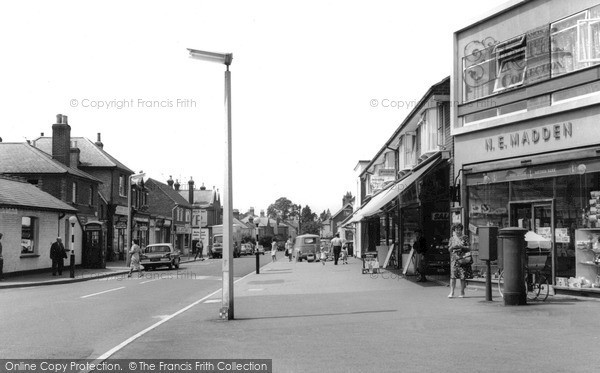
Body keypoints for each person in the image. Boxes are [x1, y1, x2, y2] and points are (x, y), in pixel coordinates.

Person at [448, 223, 471, 298]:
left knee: (462, 276)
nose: (458, 231)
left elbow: (469, 247)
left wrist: (462, 246)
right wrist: (452, 246)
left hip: (463, 258)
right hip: (454, 259)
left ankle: (462, 292)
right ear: (454, 230)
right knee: (453, 276)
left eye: (459, 229)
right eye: (456, 229)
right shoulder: (452, 238)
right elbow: (449, 249)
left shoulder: (465, 237)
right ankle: (452, 292)